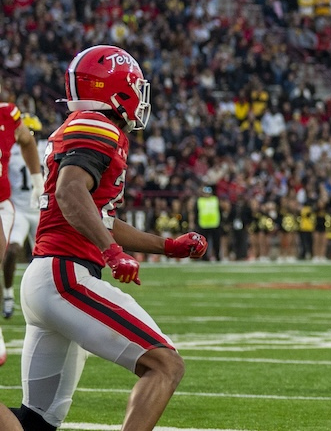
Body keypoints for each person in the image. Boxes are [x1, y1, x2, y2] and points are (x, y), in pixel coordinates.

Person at [12, 45, 209, 431]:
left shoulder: (83, 125)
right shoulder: (97, 125)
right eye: (135, 86)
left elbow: (98, 217)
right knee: (165, 364)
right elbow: (71, 193)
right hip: (66, 276)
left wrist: (166, 246)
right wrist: (112, 252)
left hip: (48, 276)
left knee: (35, 424)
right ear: (117, 90)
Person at [0, 96, 44, 366]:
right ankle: (7, 295)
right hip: (16, 204)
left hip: (8, 205)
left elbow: (27, 141)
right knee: (12, 251)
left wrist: (39, 180)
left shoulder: (8, 116)